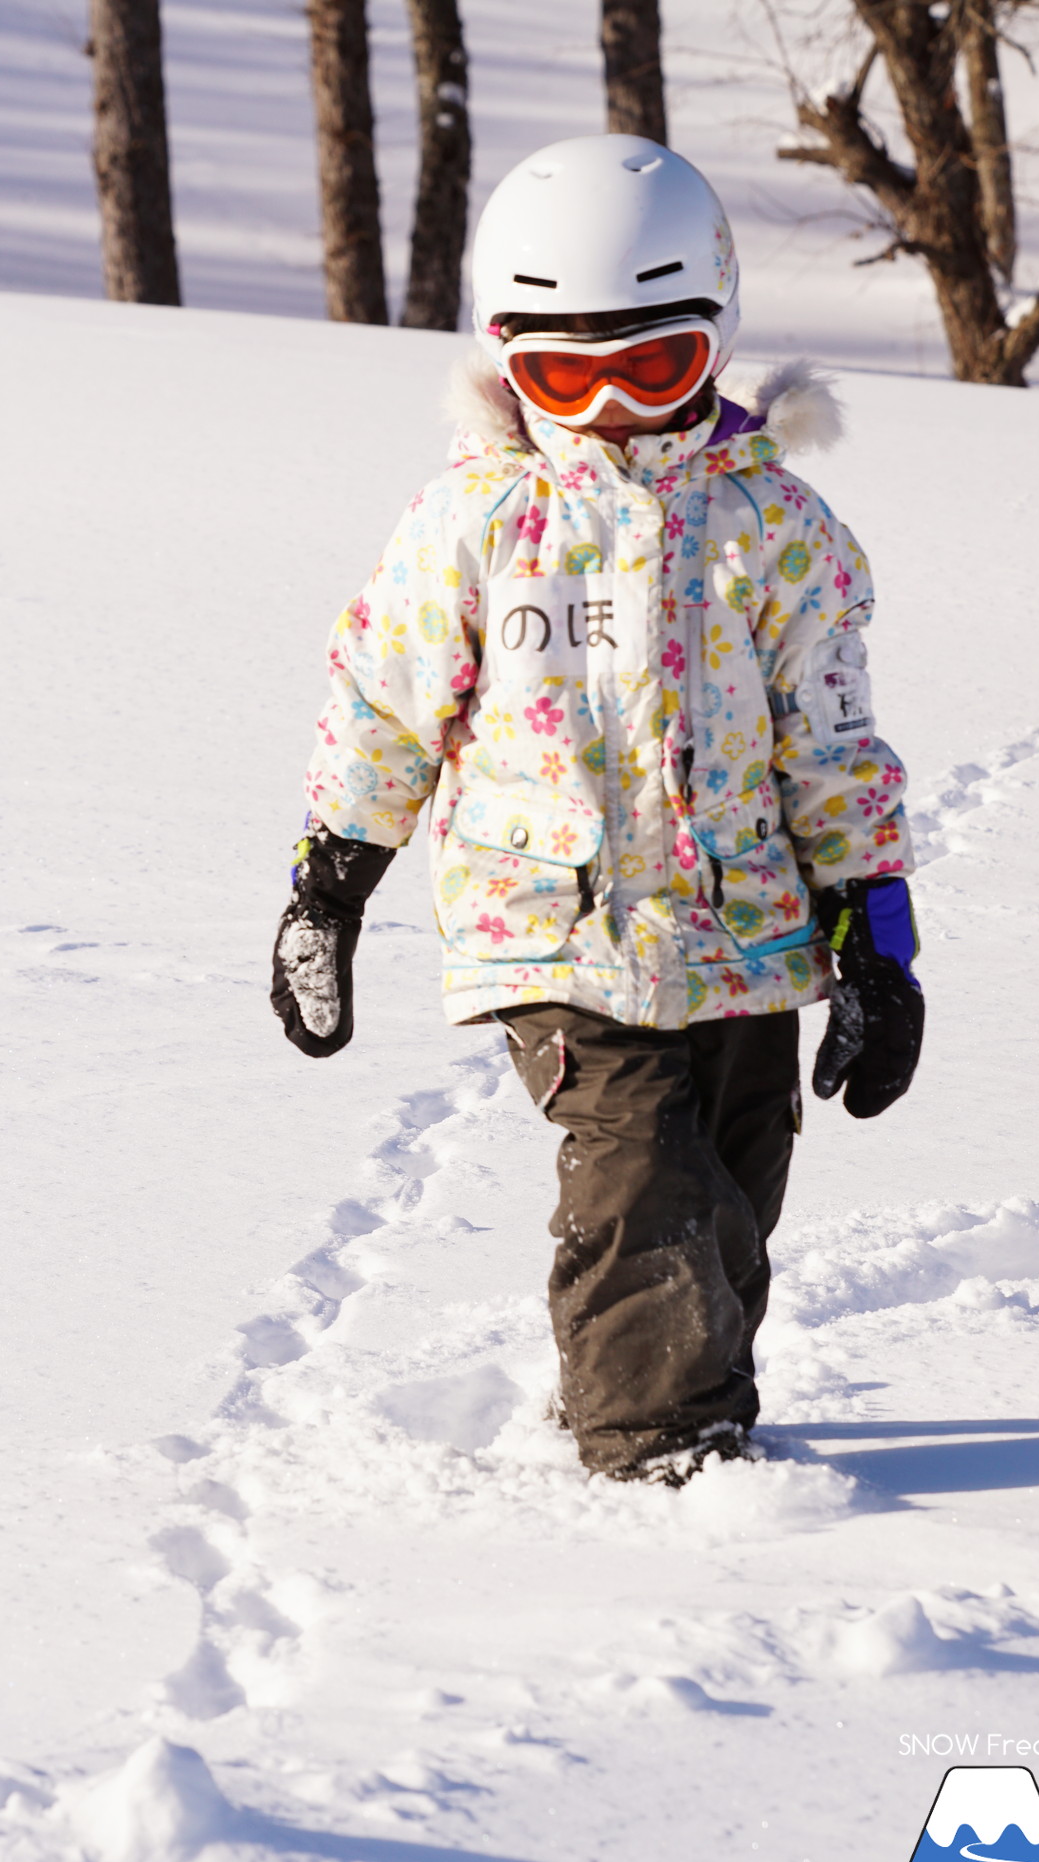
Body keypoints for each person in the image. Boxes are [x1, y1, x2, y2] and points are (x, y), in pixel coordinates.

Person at [271, 134, 923, 1486]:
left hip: (746, 928)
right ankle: (653, 1459)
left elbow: (833, 739)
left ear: (717, 336)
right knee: (644, 1187)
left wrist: (878, 928)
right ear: (509, 361)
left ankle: (704, 1406)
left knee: (736, 1187)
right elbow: (387, 703)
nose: (615, 404)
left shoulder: (775, 527)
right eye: (568, 373)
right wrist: (330, 883)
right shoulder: (477, 520)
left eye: (655, 364)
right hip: (555, 931)